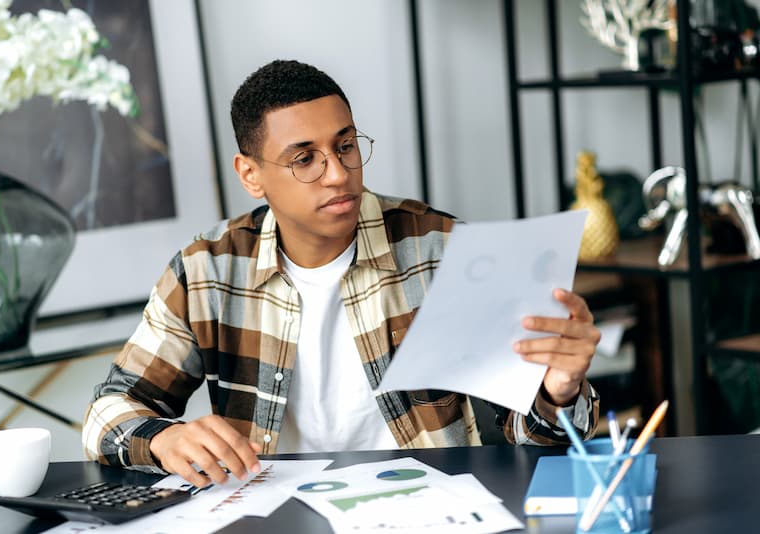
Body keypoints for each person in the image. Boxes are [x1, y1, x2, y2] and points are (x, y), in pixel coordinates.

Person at [83, 59, 601, 488]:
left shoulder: (441, 249)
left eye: (346, 146)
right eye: (305, 159)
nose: (338, 174)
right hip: (272, 514)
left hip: (431, 509)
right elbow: (107, 411)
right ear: (251, 175)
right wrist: (164, 438)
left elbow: (533, 440)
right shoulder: (207, 271)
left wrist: (559, 390)